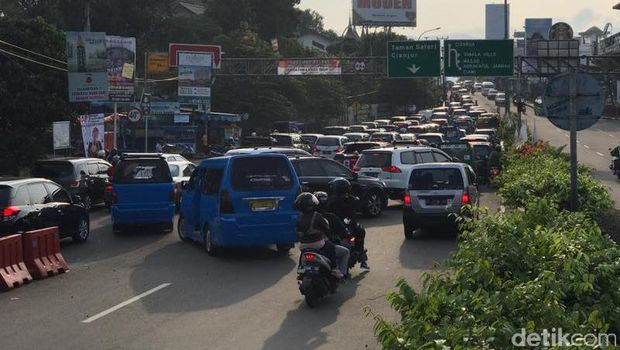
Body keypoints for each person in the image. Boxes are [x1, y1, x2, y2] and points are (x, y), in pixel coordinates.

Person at [294, 193, 343, 279]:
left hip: (303, 245)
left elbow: (298, 233)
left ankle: (300, 269)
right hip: (317, 243)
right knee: (331, 247)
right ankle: (335, 269)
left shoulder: (299, 218)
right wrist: (328, 236)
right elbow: (326, 228)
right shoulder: (317, 215)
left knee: (303, 254)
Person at [326, 178, 369, 270]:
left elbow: (357, 202)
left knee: (359, 232)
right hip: (339, 227)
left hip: (346, 226)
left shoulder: (344, 199)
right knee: (359, 232)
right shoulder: (333, 200)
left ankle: (360, 254)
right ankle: (360, 255)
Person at [314, 191, 351, 277]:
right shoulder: (329, 217)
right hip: (324, 245)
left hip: (307, 247)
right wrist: (347, 236)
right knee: (346, 251)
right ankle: (342, 274)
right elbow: (342, 230)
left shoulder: (306, 217)